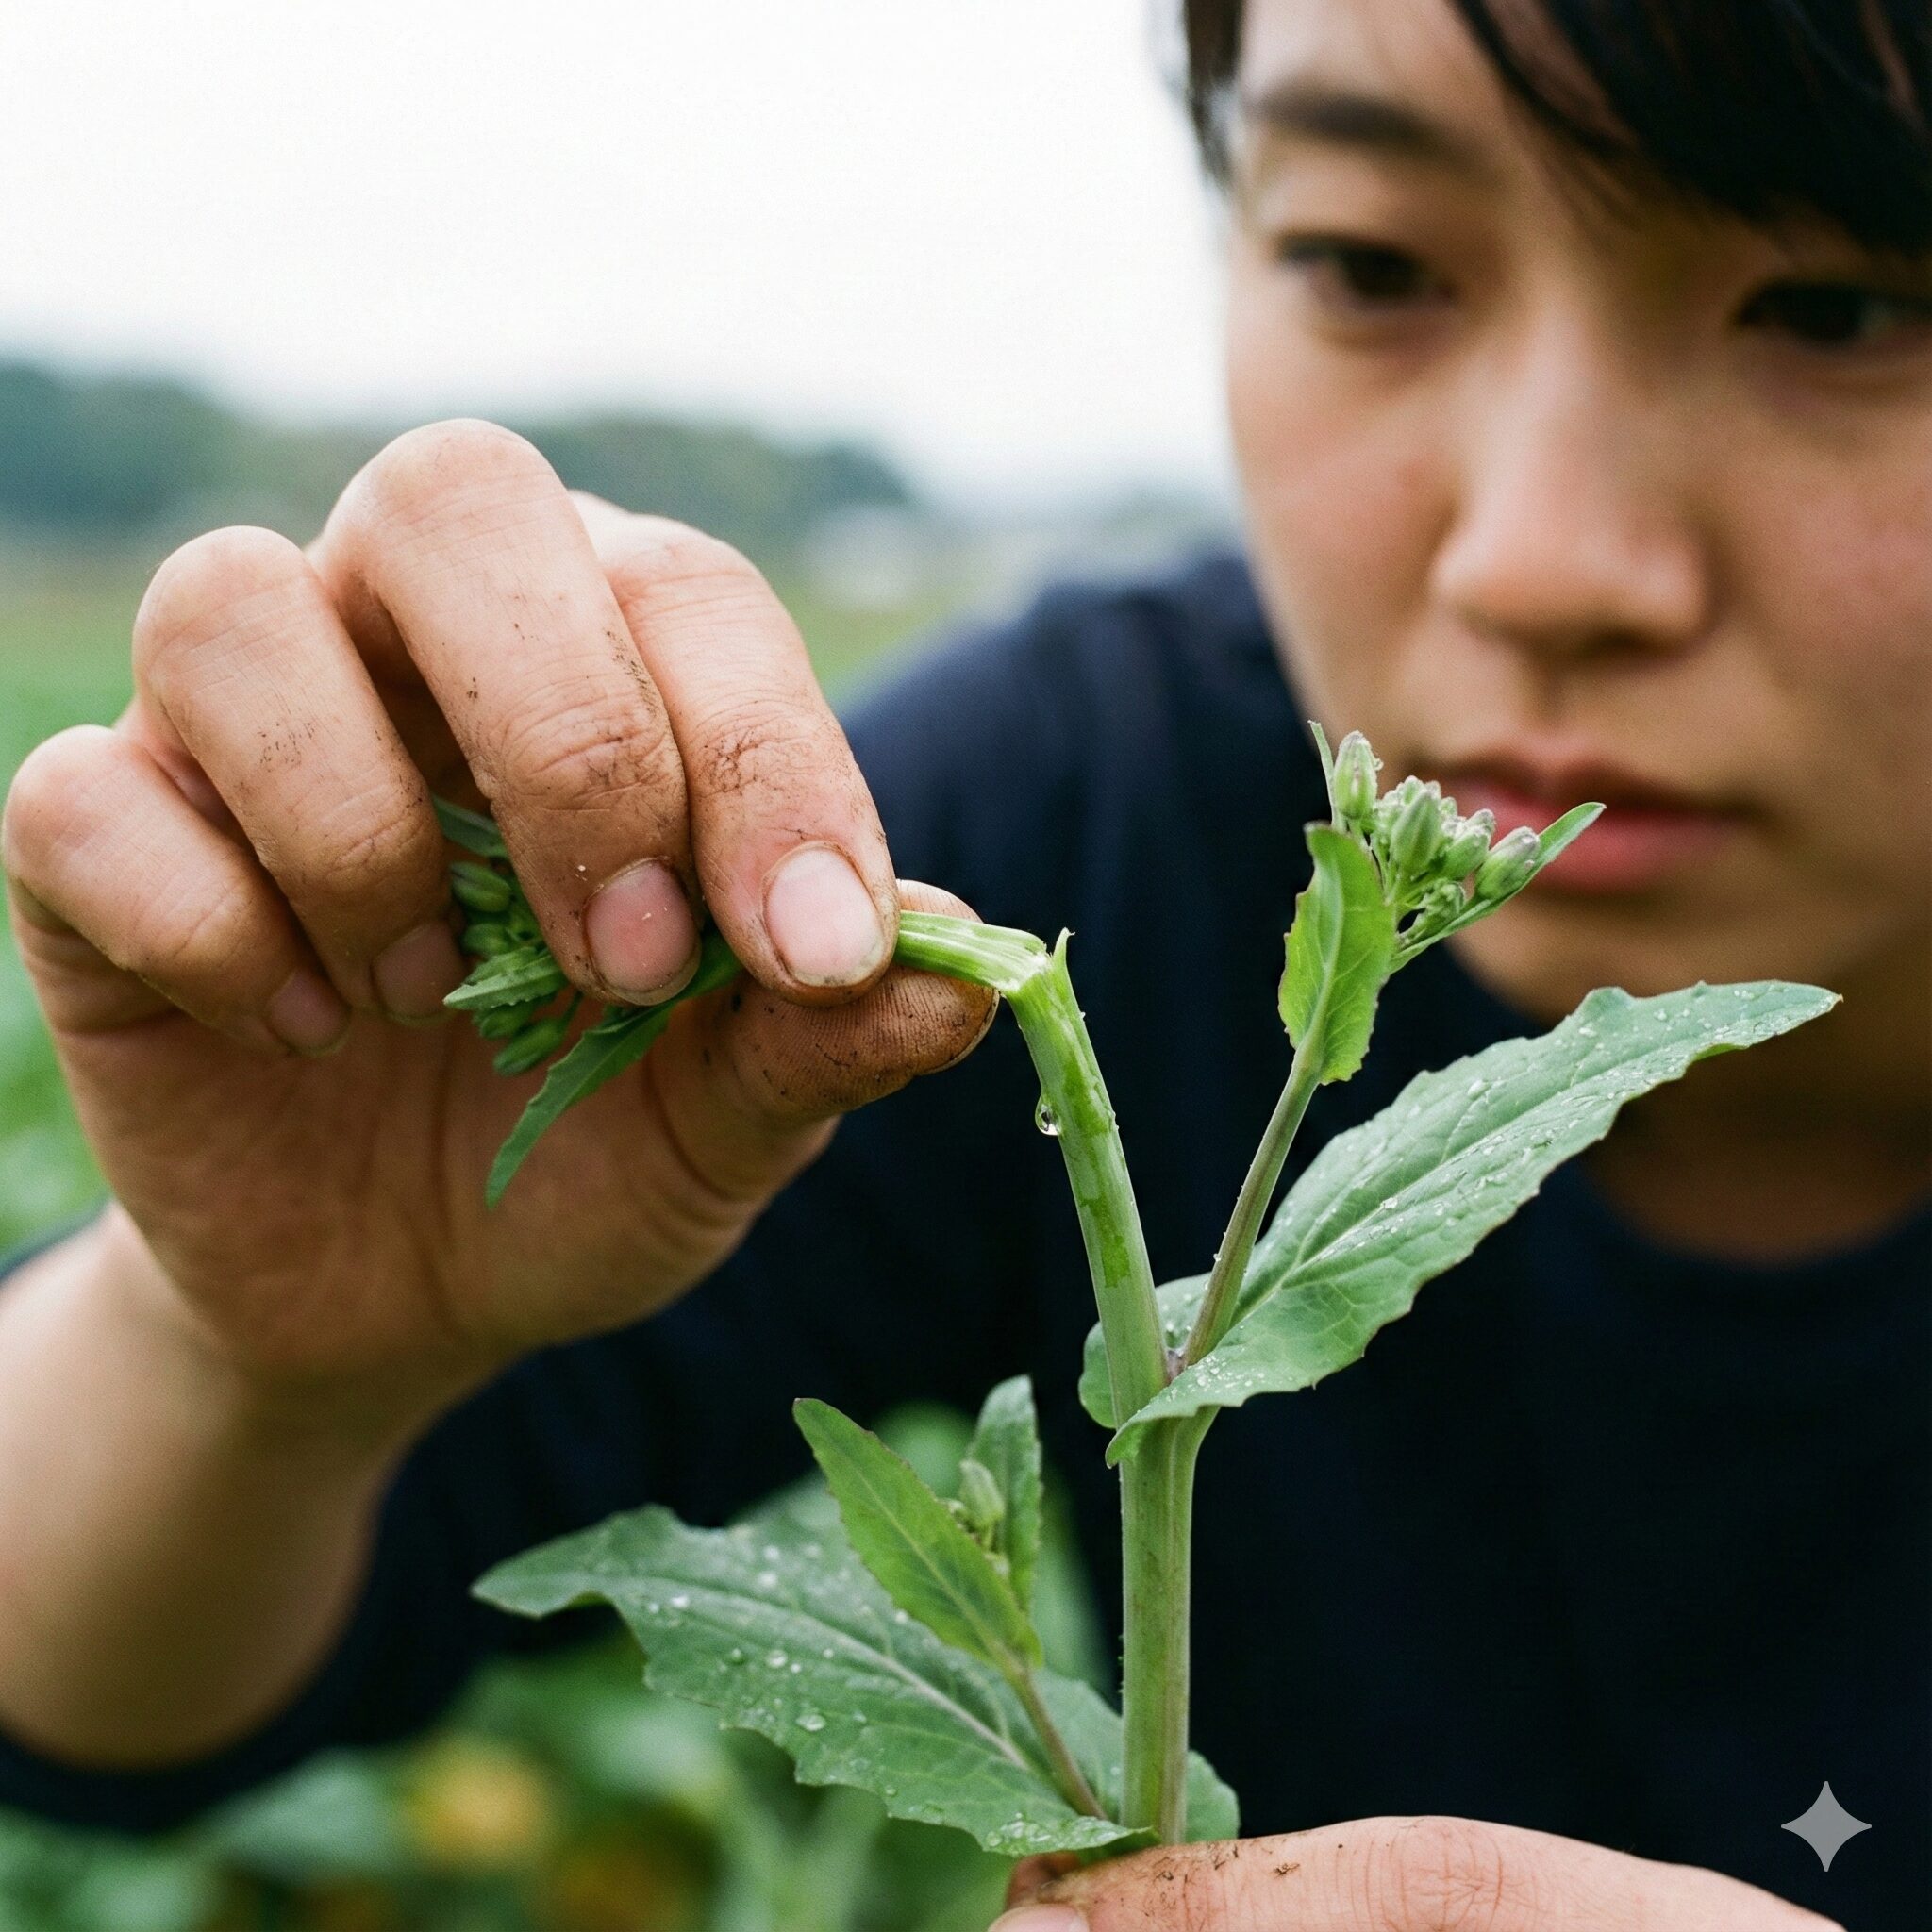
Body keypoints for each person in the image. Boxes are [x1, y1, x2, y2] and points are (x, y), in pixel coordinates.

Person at [1, 0, 1925, 1924]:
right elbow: (80, 1679)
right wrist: (235, 1361)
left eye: (1837, 305)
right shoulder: (1065, 817)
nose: (1538, 559)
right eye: (1368, 262)